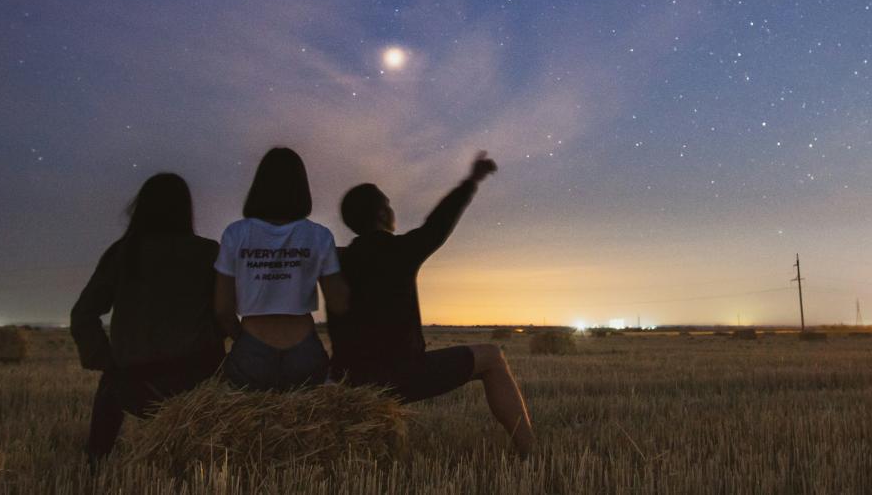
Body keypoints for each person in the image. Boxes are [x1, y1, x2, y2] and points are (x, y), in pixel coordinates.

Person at [328, 152, 535, 456]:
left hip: (348, 377)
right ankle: (531, 452)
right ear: (383, 215)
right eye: (389, 204)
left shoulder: (335, 258)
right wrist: (471, 181)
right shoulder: (400, 251)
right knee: (492, 357)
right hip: (399, 376)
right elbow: (439, 223)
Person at [71, 173, 225, 460]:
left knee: (109, 390)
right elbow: (224, 312)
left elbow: (83, 314)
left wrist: (107, 361)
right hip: (197, 382)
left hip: (133, 382)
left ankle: (96, 458)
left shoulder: (123, 253)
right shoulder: (207, 252)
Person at [214, 146, 348, 391]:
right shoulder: (319, 236)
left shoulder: (235, 234)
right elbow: (338, 304)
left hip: (252, 348)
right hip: (304, 349)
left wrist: (243, 339)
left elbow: (222, 308)